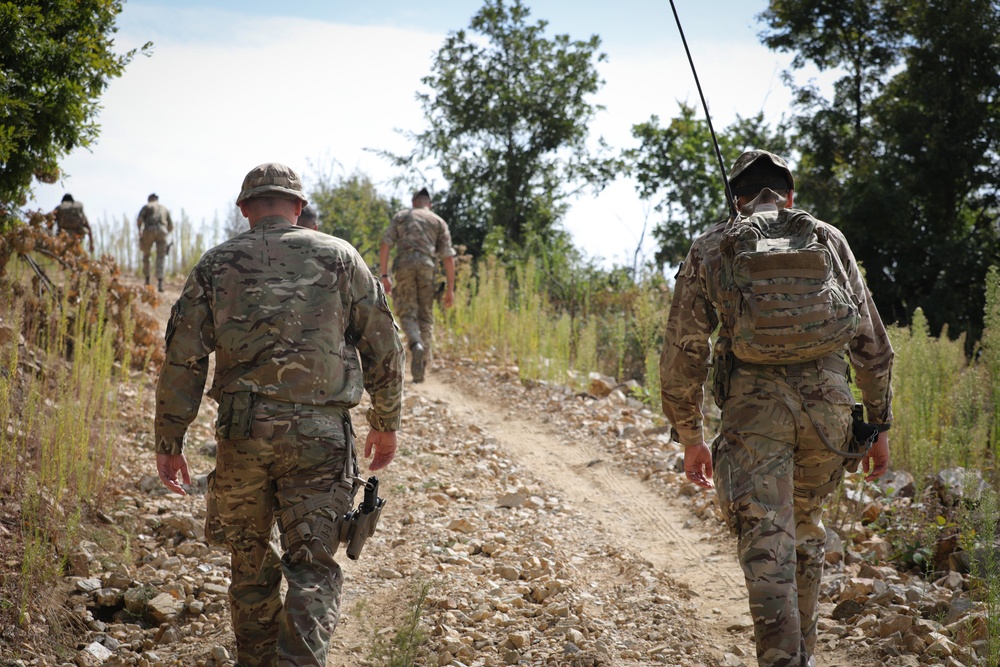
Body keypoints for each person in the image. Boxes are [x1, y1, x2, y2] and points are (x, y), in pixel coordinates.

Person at [154, 163, 404, 667]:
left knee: (249, 563)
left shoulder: (215, 264)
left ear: (245, 209)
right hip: (321, 434)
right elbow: (383, 342)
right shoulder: (340, 256)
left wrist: (170, 441)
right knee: (312, 564)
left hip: (243, 434)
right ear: (298, 207)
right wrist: (386, 419)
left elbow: (184, 357)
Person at [659, 150, 894, 667]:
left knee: (768, 546)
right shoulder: (828, 238)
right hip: (829, 413)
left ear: (736, 199)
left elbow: (684, 348)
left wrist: (690, 434)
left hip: (753, 414)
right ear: (789, 195)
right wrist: (878, 422)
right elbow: (872, 342)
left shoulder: (714, 244)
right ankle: (801, 656)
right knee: (805, 529)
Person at [379, 187, 456, 382]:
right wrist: (450, 290)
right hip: (428, 266)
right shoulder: (438, 221)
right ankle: (421, 368)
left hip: (404, 265)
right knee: (426, 316)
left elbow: (385, 244)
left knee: (406, 312)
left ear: (414, 202)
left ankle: (415, 344)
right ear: (429, 205)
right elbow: (448, 257)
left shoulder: (401, 217)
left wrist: (385, 275)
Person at [137, 193, 174, 292]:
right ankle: (160, 283)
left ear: (149, 199)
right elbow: (170, 226)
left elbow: (139, 220)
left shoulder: (147, 206)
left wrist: (139, 231)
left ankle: (147, 281)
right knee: (161, 257)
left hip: (148, 230)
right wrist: (166, 233)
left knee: (146, 255)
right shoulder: (164, 208)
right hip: (162, 231)